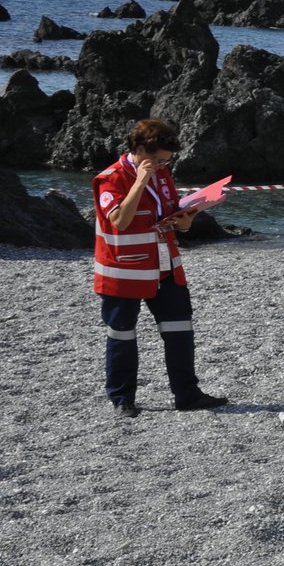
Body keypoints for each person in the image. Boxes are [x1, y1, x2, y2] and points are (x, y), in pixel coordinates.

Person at [92, 118, 228, 417]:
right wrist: (140, 181)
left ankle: (187, 395)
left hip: (164, 267)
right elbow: (120, 221)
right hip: (124, 272)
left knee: (180, 331)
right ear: (138, 148)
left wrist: (187, 220)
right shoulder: (111, 178)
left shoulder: (163, 175)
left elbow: (170, 214)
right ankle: (122, 398)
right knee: (122, 335)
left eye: (166, 161)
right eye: (155, 159)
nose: (160, 166)